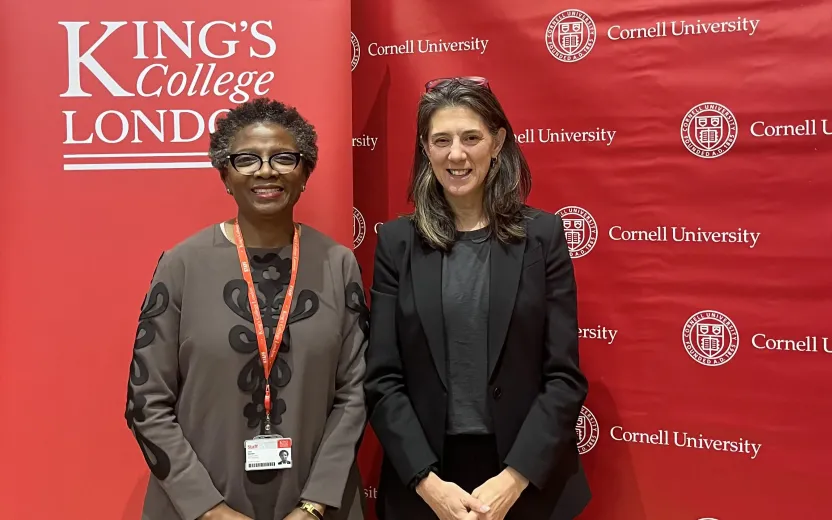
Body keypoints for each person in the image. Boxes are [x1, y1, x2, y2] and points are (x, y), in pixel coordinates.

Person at [124, 97, 369, 520]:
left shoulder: (338, 263)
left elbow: (356, 394)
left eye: (284, 157)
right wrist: (209, 510)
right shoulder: (181, 265)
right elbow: (146, 403)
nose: (266, 170)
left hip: (318, 504)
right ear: (225, 174)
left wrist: (313, 506)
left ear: (306, 171)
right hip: (197, 506)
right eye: (247, 159)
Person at [364, 77, 591, 520]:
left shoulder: (542, 236)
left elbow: (564, 376)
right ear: (425, 149)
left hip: (527, 478)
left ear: (497, 142)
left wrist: (514, 479)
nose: (456, 154)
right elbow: (382, 380)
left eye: (471, 138)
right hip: (427, 481)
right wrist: (429, 486)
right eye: (441, 140)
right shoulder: (396, 242)